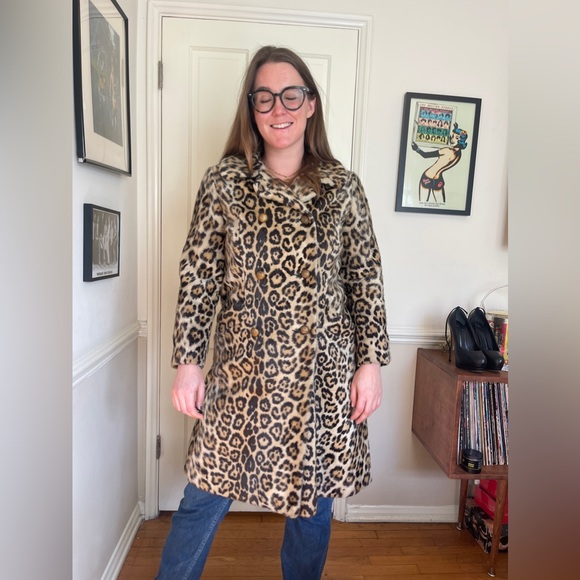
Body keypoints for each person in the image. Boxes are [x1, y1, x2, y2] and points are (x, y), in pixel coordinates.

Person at [156, 45, 390, 580]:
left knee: (312, 508)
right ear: (251, 108)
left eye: (290, 95)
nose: (278, 108)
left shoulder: (342, 188)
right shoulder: (224, 183)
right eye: (264, 97)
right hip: (243, 373)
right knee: (202, 498)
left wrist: (370, 363)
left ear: (310, 104)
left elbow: (365, 278)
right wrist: (188, 362)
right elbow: (199, 276)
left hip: (322, 376)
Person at [411, 122, 469, 203]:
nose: (452, 139)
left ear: (461, 140)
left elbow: (425, 155)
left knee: (421, 204)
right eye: (452, 136)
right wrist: (456, 129)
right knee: (441, 204)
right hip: (439, 180)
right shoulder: (459, 154)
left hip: (427, 177)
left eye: (456, 138)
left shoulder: (447, 150)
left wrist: (416, 149)